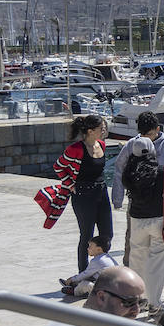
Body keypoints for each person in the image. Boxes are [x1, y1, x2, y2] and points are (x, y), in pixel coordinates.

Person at [112, 110, 164, 284]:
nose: (147, 138)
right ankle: (129, 269)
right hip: (138, 199)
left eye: (150, 134)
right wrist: (117, 198)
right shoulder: (132, 144)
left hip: (162, 199)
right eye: (144, 135)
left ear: (157, 129)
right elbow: (119, 170)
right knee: (132, 237)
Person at [38, 114, 113, 274]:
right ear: (90, 131)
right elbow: (58, 166)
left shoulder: (101, 144)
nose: (104, 131)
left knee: (107, 234)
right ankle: (83, 273)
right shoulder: (76, 149)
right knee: (86, 235)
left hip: (101, 192)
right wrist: (70, 184)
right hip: (83, 195)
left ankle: (101, 268)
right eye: (101, 128)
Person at [121, 136, 164, 315]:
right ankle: (154, 304)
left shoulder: (129, 174)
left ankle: (139, 300)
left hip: (137, 221)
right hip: (160, 221)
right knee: (156, 263)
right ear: (152, 151)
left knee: (137, 261)